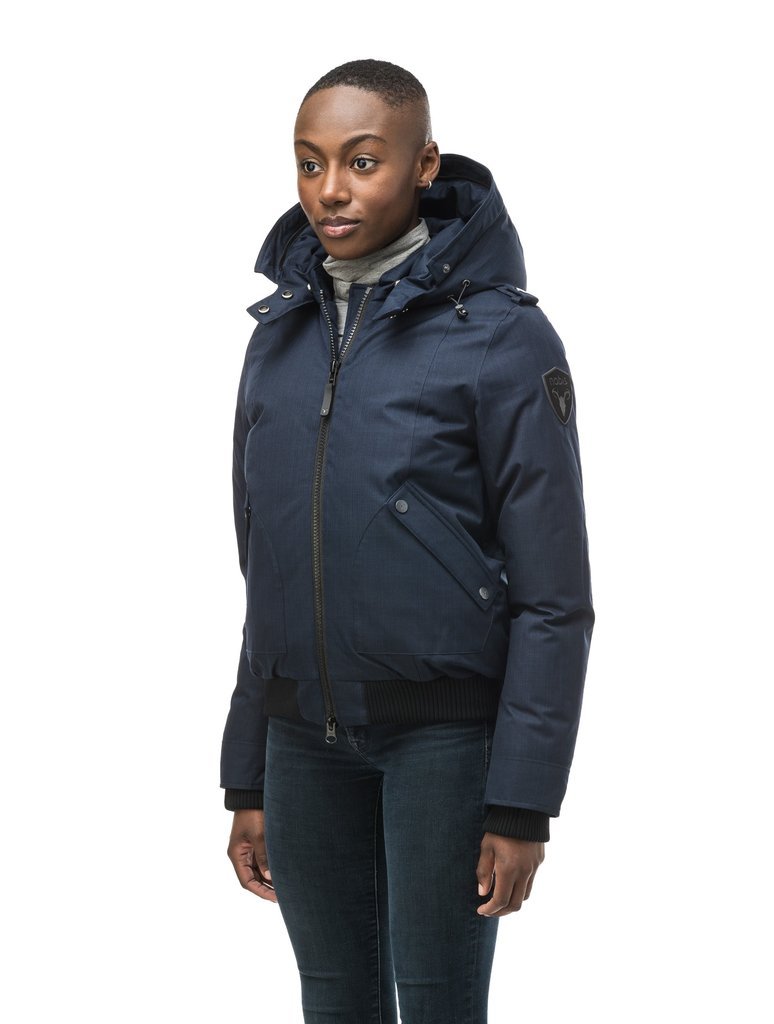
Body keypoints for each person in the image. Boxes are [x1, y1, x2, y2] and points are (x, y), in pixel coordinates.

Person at [221, 59, 593, 1024]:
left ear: (424, 164)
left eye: (362, 161)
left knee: (438, 1008)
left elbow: (555, 598)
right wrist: (248, 769)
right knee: (333, 1005)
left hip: (445, 743)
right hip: (303, 743)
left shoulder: (503, 338)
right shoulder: (277, 338)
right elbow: (266, 572)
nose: (330, 190)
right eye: (309, 163)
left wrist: (522, 802)